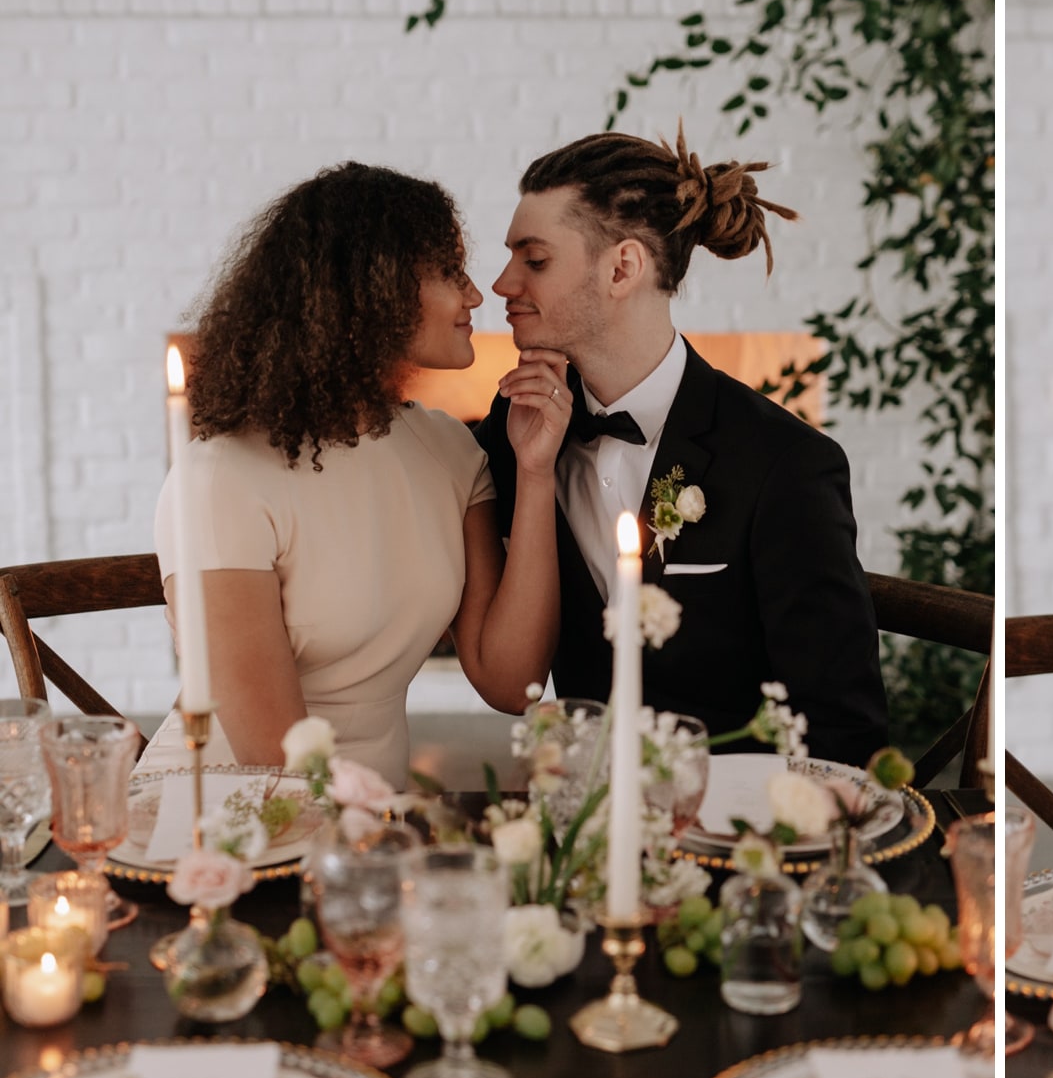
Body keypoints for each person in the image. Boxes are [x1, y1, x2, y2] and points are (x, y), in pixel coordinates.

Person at [475, 128, 889, 766]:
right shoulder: (518, 424)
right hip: (584, 829)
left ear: (623, 267)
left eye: (534, 259)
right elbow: (515, 677)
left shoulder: (786, 464)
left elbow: (842, 735)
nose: (502, 284)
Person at [143, 163, 567, 783]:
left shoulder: (450, 452)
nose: (476, 295)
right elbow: (276, 762)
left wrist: (536, 473)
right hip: (235, 825)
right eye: (449, 271)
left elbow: (512, 683)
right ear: (372, 291)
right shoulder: (221, 480)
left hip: (376, 827)